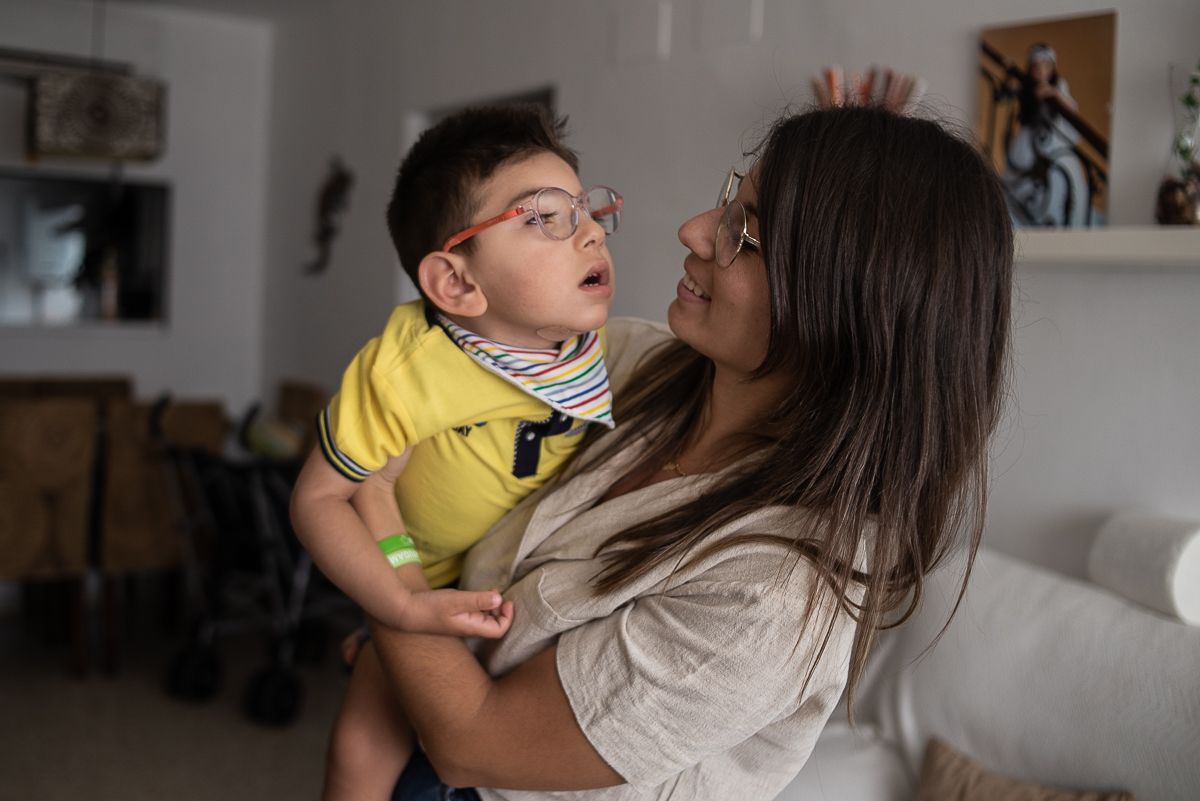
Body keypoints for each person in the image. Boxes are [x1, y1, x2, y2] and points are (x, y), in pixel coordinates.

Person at [363, 103, 1014, 801]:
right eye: (728, 200)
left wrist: (377, 541)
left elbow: (476, 743)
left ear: (840, 315)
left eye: (745, 233)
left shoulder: (773, 595)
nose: (695, 230)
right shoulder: (639, 364)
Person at [288, 104, 624, 801]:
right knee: (360, 751)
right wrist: (399, 606)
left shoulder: (593, 351)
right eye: (545, 217)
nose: (591, 230)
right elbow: (317, 498)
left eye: (586, 209)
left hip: (508, 581)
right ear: (456, 283)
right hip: (419, 569)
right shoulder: (405, 371)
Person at [1003, 43, 1090, 227]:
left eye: (1045, 65)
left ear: (1051, 68)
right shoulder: (1025, 88)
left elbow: (1072, 112)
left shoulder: (1059, 86)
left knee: (1057, 182)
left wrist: (1054, 94)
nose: (1041, 70)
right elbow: (1007, 93)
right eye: (1036, 66)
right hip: (1028, 143)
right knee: (1019, 183)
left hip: (1051, 142)